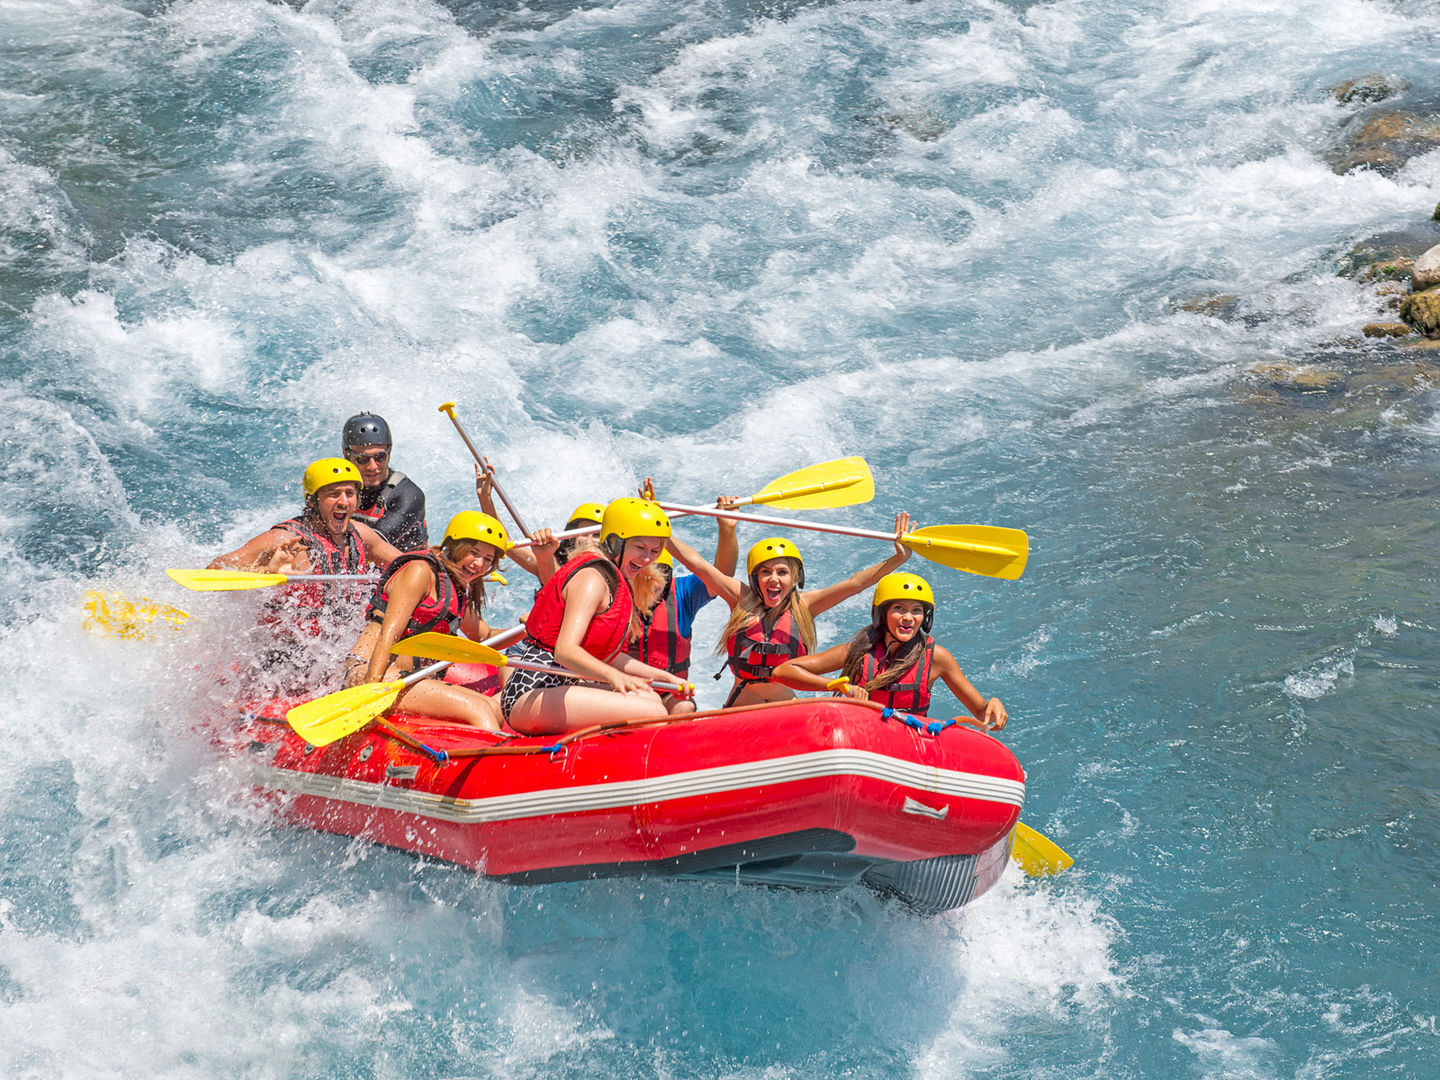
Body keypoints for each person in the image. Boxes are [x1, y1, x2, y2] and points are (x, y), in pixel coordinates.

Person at [665, 514, 915, 708]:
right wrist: (659, 528)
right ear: (754, 578)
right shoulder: (740, 598)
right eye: (766, 572)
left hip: (787, 707)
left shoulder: (806, 606)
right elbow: (697, 563)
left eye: (782, 572)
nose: (774, 579)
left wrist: (898, 559)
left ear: (795, 577)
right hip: (739, 707)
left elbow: (855, 583)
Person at [502, 497, 693, 736]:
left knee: (650, 697)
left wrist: (667, 678)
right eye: (639, 548)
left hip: (557, 686)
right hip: (530, 693)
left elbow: (610, 656)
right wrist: (614, 678)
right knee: (652, 712)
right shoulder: (593, 577)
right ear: (614, 542)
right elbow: (566, 651)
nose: (647, 559)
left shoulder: (613, 577)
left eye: (655, 551)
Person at [207, 457, 402, 689]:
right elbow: (215, 570)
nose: (344, 501)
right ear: (313, 500)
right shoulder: (286, 539)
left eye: (350, 494)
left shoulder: (362, 536)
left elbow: (408, 566)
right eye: (333, 494)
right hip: (281, 659)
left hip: (338, 651)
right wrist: (266, 572)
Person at [770, 572, 1008, 730]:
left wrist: (993, 704)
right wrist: (835, 685)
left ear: (925, 618)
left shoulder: (937, 658)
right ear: (882, 614)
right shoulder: (858, 651)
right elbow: (783, 671)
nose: (908, 618)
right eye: (899, 608)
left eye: (917, 611)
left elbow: (980, 710)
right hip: (861, 737)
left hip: (910, 742)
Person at [343, 511, 511, 731]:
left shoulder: (456, 587)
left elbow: (485, 637)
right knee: (479, 710)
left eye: (488, 559)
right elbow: (389, 633)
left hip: (409, 678)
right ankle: (492, 762)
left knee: (491, 706)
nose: (479, 564)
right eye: (473, 553)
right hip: (372, 673)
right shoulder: (420, 571)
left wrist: (531, 628)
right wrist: (370, 692)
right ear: (453, 546)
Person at [623, 491, 739, 715]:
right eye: (647, 575)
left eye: (662, 575)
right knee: (647, 707)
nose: (654, 584)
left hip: (669, 691)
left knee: (684, 707)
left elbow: (719, 576)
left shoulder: (681, 595)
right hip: (623, 687)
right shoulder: (614, 591)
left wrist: (727, 529)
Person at [343, 412, 428, 551]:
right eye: (362, 459)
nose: (373, 466)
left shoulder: (409, 495)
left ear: (389, 453)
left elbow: (372, 546)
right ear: (346, 455)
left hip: (405, 568)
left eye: (379, 457)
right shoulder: (338, 489)